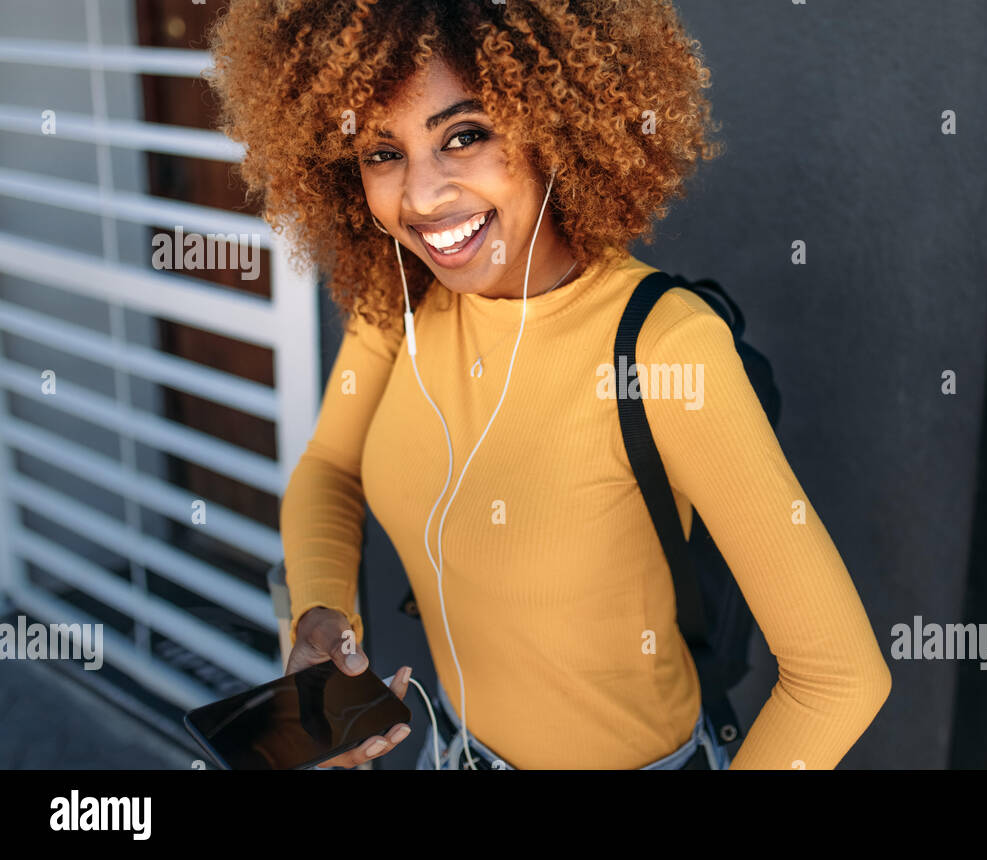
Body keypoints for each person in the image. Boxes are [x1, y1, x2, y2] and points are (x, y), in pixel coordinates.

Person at [206, 0, 891, 770]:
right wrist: (322, 614)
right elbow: (330, 468)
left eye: (465, 136)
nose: (423, 197)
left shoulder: (667, 346)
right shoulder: (397, 304)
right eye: (381, 153)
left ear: (554, 127)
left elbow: (839, 676)